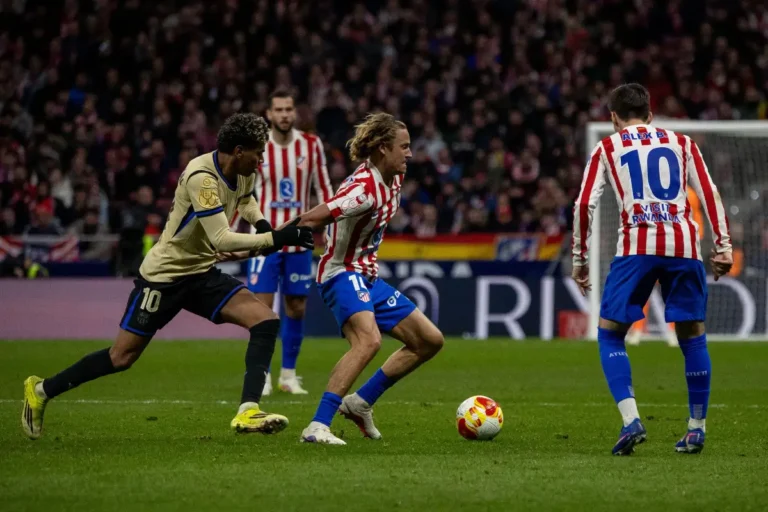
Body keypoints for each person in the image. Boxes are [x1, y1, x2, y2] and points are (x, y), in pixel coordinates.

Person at [21, 113, 314, 440]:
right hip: (165, 276)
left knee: (265, 321)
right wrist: (277, 238)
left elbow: (246, 201)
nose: (262, 160)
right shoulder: (202, 177)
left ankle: (248, 411)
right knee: (121, 357)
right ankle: (42, 390)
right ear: (238, 150)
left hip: (201, 273)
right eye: (258, 153)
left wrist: (262, 226)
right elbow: (222, 239)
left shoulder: (243, 171)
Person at [571, 84, 733, 455]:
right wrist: (722, 246)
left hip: (636, 247)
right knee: (693, 336)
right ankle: (696, 429)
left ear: (613, 117)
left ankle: (631, 421)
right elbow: (709, 193)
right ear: (650, 114)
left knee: (611, 334)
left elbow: (583, 205)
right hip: (683, 245)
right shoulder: (682, 143)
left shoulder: (607, 147)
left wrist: (580, 260)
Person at [295, 112, 445, 445]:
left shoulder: (395, 176)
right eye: (403, 147)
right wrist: (273, 239)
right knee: (368, 341)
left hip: (367, 277)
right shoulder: (363, 191)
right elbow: (319, 213)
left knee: (429, 340)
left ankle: (360, 403)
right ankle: (318, 425)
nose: (409, 153)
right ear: (381, 149)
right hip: (340, 273)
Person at [246, 89, 334, 396]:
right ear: (269, 114)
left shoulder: (310, 145)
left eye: (288, 109)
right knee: (261, 309)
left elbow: (323, 188)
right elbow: (243, 193)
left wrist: (330, 226)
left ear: (294, 113)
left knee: (296, 307)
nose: (284, 114)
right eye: (278, 109)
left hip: (300, 238)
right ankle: (263, 374)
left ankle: (288, 374)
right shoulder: (258, 146)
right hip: (264, 239)